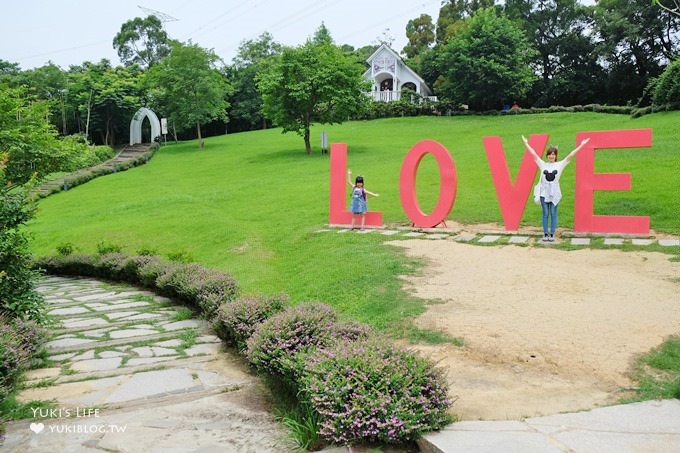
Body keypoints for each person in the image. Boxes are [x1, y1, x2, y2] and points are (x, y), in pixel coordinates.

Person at [521, 135, 591, 242]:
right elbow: (533, 154)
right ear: (547, 155)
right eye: (549, 154)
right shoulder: (542, 164)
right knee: (545, 213)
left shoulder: (560, 165)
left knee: (553, 213)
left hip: (554, 193)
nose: (551, 156)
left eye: (553, 154)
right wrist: (526, 143)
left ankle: (552, 234)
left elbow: (571, 155)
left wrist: (581, 145)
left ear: (556, 156)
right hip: (544, 192)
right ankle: (545, 234)